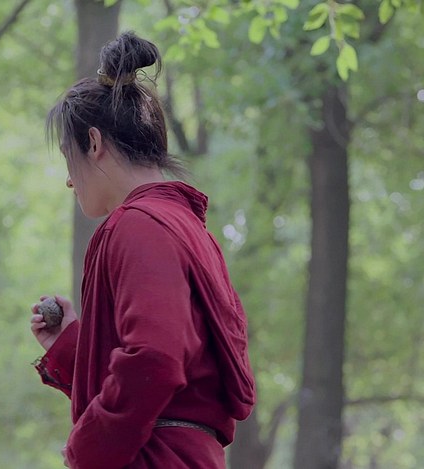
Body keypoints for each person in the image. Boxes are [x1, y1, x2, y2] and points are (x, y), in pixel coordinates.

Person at [29, 31, 256, 469]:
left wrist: (87, 448)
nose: (70, 180)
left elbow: (155, 358)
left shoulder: (140, 224)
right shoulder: (185, 227)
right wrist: (73, 347)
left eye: (68, 158)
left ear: (94, 143)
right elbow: (170, 368)